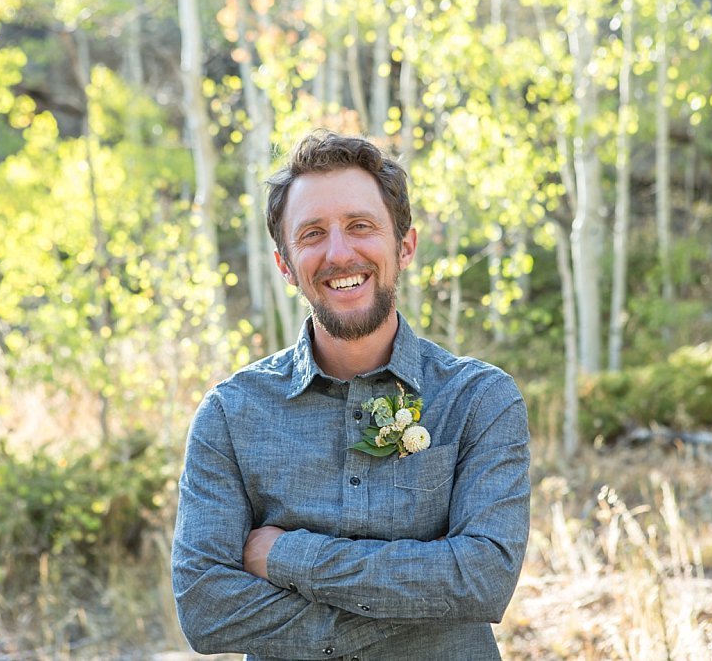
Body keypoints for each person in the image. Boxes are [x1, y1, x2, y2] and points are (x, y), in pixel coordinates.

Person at [171, 130, 531, 660]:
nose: (339, 253)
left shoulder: (479, 400)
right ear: (286, 265)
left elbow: (482, 579)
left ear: (403, 246)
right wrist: (421, 614)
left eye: (360, 226)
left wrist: (286, 556)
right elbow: (205, 610)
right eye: (312, 234)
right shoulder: (231, 414)